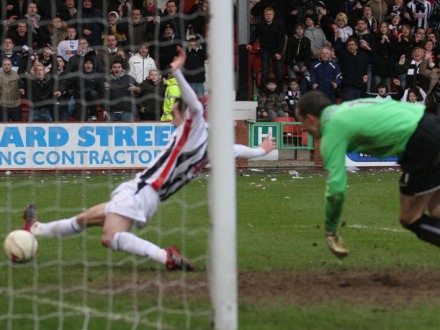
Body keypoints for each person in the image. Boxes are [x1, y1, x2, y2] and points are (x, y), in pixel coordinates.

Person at [20, 46, 276, 271]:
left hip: (145, 190)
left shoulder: (194, 131)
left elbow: (196, 108)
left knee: (110, 237)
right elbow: (238, 151)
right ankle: (36, 228)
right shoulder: (212, 146)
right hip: (143, 189)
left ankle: (165, 256)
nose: (174, 118)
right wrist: (262, 151)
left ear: (182, 115)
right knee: (85, 219)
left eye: (175, 113)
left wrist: (176, 72)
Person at [295, 90, 440, 260]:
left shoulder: (332, 129)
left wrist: (330, 230)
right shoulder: (346, 109)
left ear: (311, 119)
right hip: (430, 124)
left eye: (301, 122)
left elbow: (336, 190)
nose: (303, 128)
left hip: (420, 142)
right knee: (436, 210)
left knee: (409, 217)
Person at [246, 7, 285, 90]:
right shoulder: (260, 24)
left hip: (276, 50)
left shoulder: (279, 24)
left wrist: (279, 52)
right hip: (265, 50)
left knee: (279, 71)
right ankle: (264, 92)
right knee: (265, 71)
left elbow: (282, 39)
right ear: (264, 15)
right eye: (266, 14)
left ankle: (279, 91)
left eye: (270, 14)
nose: (268, 16)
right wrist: (250, 43)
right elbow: (254, 34)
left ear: (273, 16)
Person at [0, 58, 25, 122]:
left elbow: (21, 83)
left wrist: (22, 89)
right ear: (2, 66)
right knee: (3, 127)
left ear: (11, 65)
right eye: (4, 64)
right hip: (4, 106)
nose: (6, 66)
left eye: (8, 64)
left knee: (19, 126)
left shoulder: (16, 74)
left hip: (16, 105)